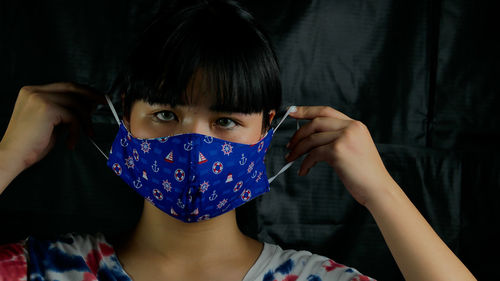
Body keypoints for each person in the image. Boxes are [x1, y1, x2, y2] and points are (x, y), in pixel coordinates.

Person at [0, 0, 476, 280]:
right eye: (166, 113)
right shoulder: (43, 269)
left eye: (225, 120)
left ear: (265, 131)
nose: (192, 143)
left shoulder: (309, 279)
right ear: (125, 119)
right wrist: (6, 157)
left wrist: (382, 191)